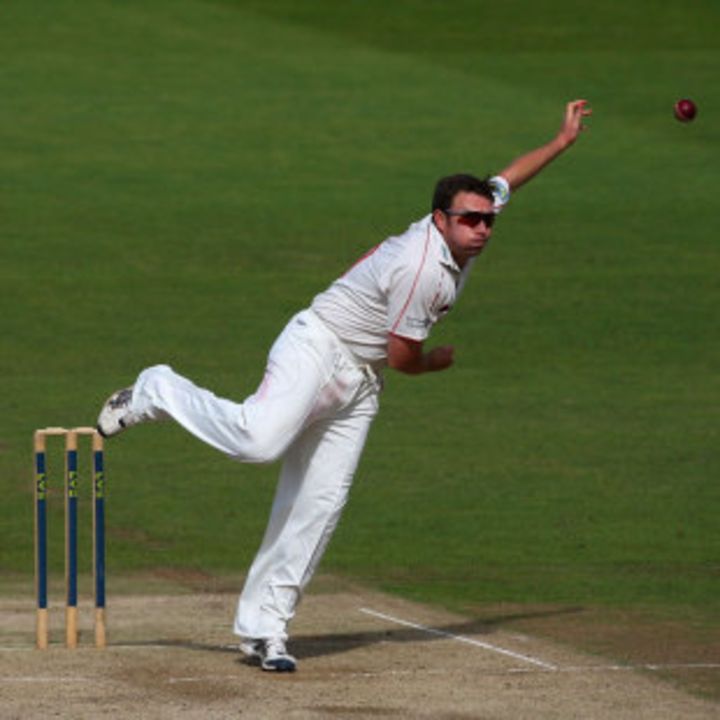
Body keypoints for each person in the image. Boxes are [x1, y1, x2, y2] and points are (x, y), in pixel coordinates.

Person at [97, 99, 592, 672]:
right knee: (258, 442)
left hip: (360, 379)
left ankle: (265, 630)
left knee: (320, 503)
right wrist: (436, 363)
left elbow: (507, 181)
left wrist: (560, 142)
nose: (482, 229)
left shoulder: (471, 218)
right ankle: (157, 389)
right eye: (470, 220)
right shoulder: (420, 270)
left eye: (487, 220)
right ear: (440, 219)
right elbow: (403, 357)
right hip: (318, 347)